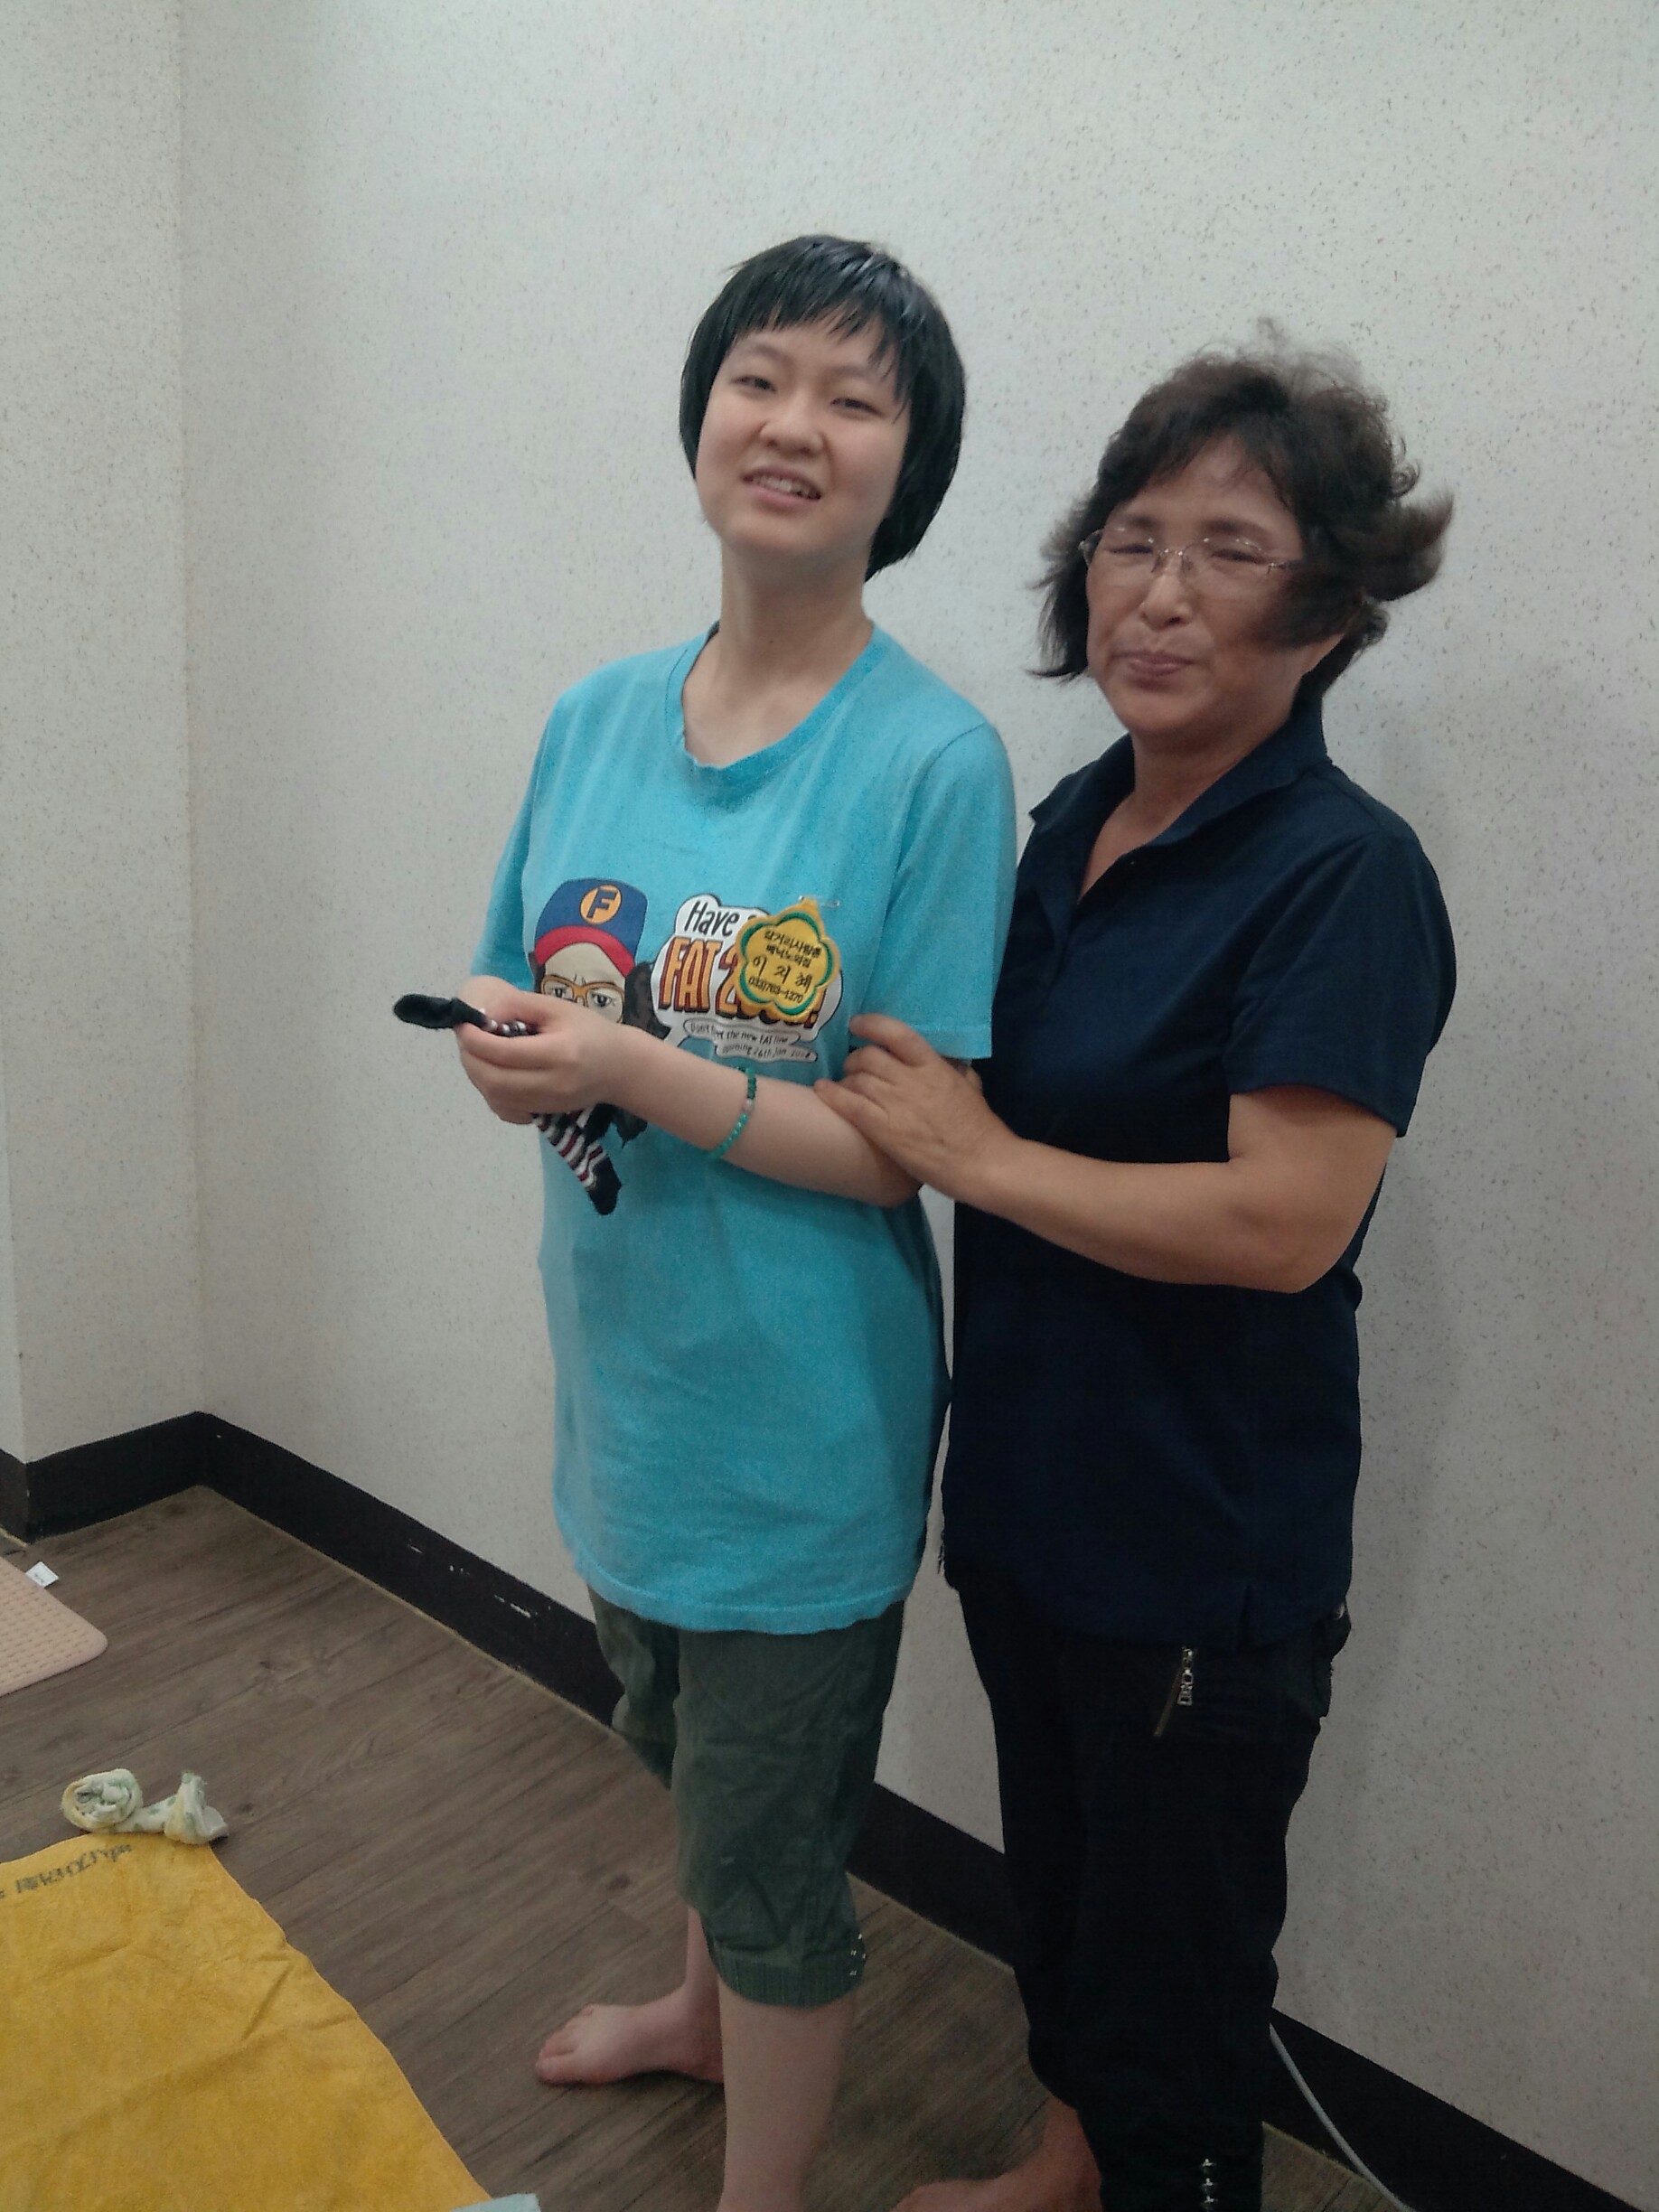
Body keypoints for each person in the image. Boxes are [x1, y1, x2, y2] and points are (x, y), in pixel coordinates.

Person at [820, 342, 1456, 2212]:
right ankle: (1068, 2164)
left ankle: (1146, 2169)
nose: (1161, 594)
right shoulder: (1071, 822)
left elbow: (1285, 1222)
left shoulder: (1344, 874)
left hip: (1198, 1545)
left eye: (1231, 552)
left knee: (1177, 1994)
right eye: (1132, 540)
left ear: (1329, 608)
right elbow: (958, 1080)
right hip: (1036, 1501)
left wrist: (979, 1159)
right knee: (1071, 1912)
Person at [455, 235, 1016, 2212]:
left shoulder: (934, 762)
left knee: (775, 1868)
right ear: (703, 413)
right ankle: (695, 2022)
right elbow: (514, 970)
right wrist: (509, 1044)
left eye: (856, 400)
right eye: (760, 376)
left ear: (907, 470)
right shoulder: (598, 714)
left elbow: (899, 1150)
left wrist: (629, 1065)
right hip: (630, 1384)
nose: (793, 424)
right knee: (688, 1771)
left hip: (800, 1426)